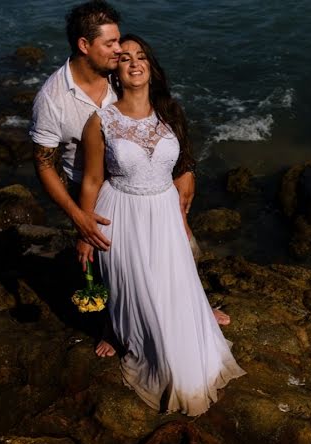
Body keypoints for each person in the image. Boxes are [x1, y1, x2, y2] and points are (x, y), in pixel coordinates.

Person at [29, 1, 228, 358]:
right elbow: (44, 164)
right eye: (111, 43)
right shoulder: (53, 98)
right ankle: (113, 325)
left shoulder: (118, 72)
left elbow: (160, 123)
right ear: (84, 45)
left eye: (120, 41)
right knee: (114, 264)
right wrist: (78, 216)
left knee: (177, 248)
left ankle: (194, 307)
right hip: (92, 184)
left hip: (148, 175)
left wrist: (185, 170)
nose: (120, 50)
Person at [77, 33, 245, 416]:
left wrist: (182, 217)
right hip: (121, 211)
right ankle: (118, 330)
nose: (134, 63)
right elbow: (91, 180)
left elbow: (182, 163)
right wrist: (84, 230)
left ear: (151, 67)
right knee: (143, 301)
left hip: (165, 212)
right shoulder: (100, 120)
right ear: (116, 71)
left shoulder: (171, 113)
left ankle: (188, 312)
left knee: (172, 290)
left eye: (141, 57)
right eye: (124, 58)